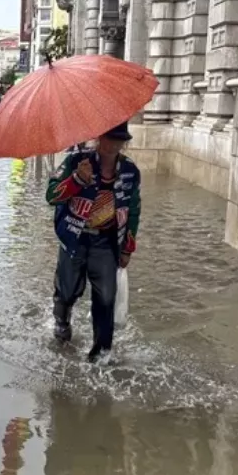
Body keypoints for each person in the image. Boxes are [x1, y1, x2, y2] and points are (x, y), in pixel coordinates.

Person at [45, 122, 141, 363]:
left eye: (119, 140)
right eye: (109, 138)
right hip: (75, 238)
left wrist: (128, 247)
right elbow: (52, 196)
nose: (113, 144)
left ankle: (101, 353)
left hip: (106, 242)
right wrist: (77, 179)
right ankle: (62, 322)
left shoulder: (130, 171)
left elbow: (134, 209)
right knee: (67, 290)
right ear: (99, 138)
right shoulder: (75, 162)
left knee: (106, 298)